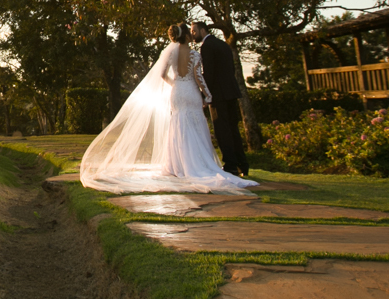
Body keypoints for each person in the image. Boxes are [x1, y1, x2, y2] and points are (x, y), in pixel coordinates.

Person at [79, 23, 257, 194]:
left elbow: (162, 74)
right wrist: (207, 94)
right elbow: (199, 77)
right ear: (186, 35)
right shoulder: (196, 54)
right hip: (192, 93)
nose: (192, 35)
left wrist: (175, 85)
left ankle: (177, 165)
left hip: (177, 92)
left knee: (178, 124)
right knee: (196, 125)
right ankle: (199, 163)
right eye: (191, 32)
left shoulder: (170, 54)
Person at [191, 20, 252, 177]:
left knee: (222, 129)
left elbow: (209, 74)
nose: (193, 34)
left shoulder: (206, 46)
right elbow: (230, 69)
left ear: (203, 30)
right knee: (233, 129)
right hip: (231, 92)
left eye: (194, 31)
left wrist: (204, 94)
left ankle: (230, 165)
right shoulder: (223, 44)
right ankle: (242, 165)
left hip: (218, 94)